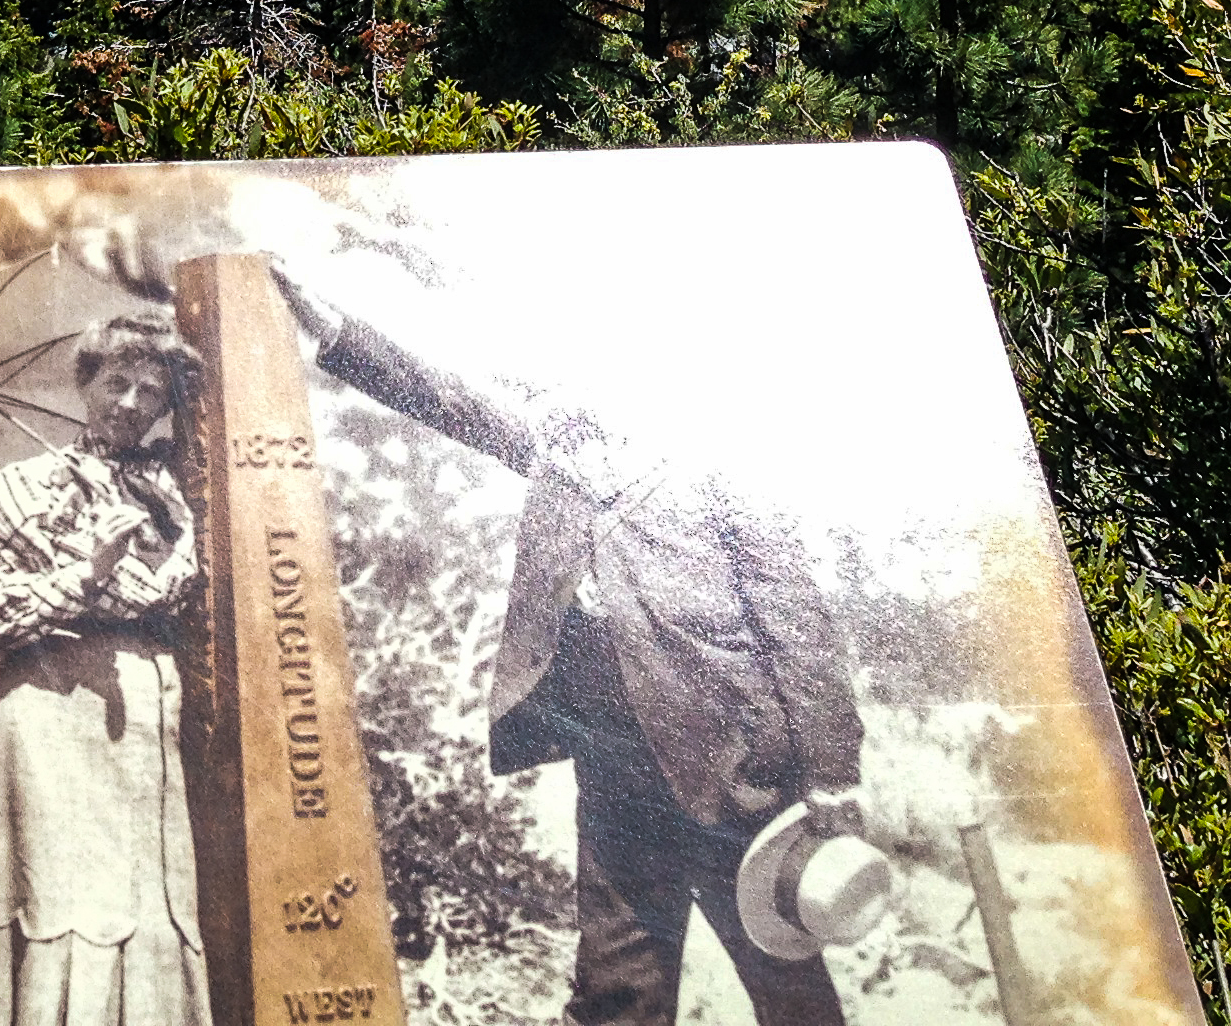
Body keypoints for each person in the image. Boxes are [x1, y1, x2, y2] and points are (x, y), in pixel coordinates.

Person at [275, 268, 867, 1026]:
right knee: (619, 986)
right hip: (619, 772)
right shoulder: (561, 464)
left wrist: (831, 772)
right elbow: (454, 400)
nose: (553, 400)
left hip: (734, 769)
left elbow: (800, 628)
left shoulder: (721, 473)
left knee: (783, 978)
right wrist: (337, 330)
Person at [0, 308, 212, 1026]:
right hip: (46, 714)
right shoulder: (19, 489)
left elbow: (174, 591)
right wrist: (87, 572)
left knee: (143, 901)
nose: (131, 404)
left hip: (142, 719)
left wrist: (176, 540)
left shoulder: (173, 493)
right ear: (88, 383)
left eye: (151, 390)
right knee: (60, 899)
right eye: (117, 382)